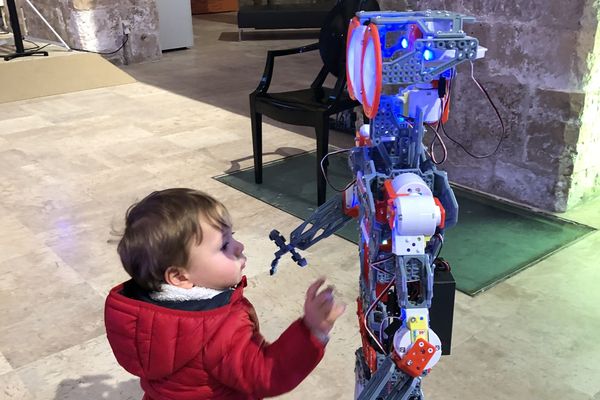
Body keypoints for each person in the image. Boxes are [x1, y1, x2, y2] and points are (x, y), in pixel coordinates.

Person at [104, 188, 346, 400]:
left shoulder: (145, 313)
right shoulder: (218, 328)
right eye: (224, 245)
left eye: (232, 236)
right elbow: (266, 373)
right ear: (179, 277)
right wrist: (311, 331)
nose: (239, 246)